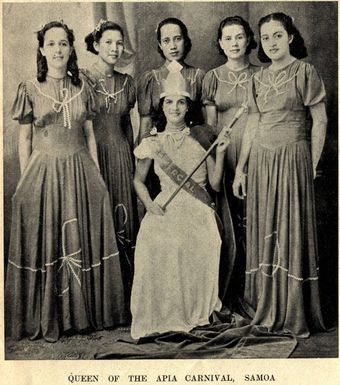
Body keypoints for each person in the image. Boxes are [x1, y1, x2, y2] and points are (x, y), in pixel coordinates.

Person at [6, 21, 126, 342]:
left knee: (79, 233)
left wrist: (97, 175)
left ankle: (82, 316)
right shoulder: (30, 87)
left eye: (63, 44)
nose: (58, 49)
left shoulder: (82, 86)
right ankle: (50, 315)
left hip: (79, 166)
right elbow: (25, 136)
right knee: (49, 234)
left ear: (71, 48)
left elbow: (88, 133)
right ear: (43, 49)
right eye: (52, 44)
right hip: (44, 168)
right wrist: (25, 178)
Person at [233, 12, 327, 337]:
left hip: (293, 157)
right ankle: (265, 303)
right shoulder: (256, 79)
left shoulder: (305, 71)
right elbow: (252, 125)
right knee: (264, 227)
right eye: (266, 37)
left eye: (277, 35)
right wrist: (241, 169)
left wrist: (312, 163)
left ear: (290, 36)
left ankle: (292, 310)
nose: (271, 42)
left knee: (291, 226)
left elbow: (321, 120)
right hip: (261, 160)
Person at [131, 64, 230, 339]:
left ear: (188, 107)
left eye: (181, 103)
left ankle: (193, 311)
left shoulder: (201, 137)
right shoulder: (153, 141)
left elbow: (215, 184)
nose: (175, 108)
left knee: (190, 241)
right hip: (164, 205)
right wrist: (149, 204)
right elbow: (138, 180)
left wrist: (220, 153)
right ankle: (162, 315)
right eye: (170, 102)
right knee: (154, 240)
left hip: (197, 207)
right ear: (162, 106)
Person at [83, 20, 139, 312]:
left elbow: (128, 126)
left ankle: (124, 299)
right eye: (108, 42)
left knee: (124, 218)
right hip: (92, 155)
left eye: (119, 43)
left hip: (120, 155)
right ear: (96, 45)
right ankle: (98, 300)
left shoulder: (128, 83)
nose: (115, 48)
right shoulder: (81, 79)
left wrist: (131, 157)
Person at [202, 16, 258, 303]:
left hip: (255, 154)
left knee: (255, 220)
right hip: (224, 154)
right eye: (228, 38)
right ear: (220, 44)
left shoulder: (262, 74)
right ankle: (230, 292)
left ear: (248, 39)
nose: (234, 43)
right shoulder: (212, 77)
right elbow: (211, 127)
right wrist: (219, 157)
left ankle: (255, 291)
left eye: (239, 37)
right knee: (228, 222)